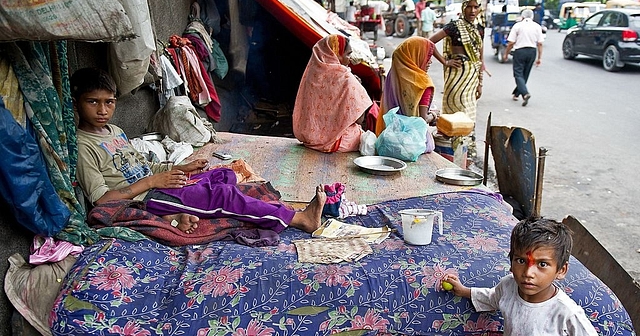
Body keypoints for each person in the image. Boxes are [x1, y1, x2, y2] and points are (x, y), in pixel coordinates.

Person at [72, 67, 326, 235]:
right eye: (93, 102)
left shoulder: (115, 132)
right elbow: (102, 201)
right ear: (76, 103)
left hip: (156, 183)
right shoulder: (83, 146)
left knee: (223, 175)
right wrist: (154, 181)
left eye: (109, 102)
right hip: (147, 198)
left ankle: (236, 205)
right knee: (223, 196)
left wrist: (178, 169)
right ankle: (299, 219)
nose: (103, 110)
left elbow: (144, 167)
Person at [442, 217, 598, 335]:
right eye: (521, 261)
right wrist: (464, 291)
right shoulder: (508, 286)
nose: (528, 273)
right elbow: (493, 297)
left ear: (561, 270)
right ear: (511, 262)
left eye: (542, 264)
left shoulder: (566, 313)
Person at [293, 34, 372, 152]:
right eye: (348, 54)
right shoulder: (346, 78)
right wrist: (357, 85)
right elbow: (359, 119)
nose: (350, 58)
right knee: (361, 134)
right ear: (336, 54)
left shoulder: (311, 73)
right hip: (337, 143)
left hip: (310, 139)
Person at [429, 0, 485, 158]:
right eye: (469, 6)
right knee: (456, 113)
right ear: (463, 7)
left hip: (472, 77)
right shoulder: (454, 26)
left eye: (476, 7)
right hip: (457, 78)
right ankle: (451, 154)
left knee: (469, 114)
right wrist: (445, 62)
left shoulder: (479, 29)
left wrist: (480, 83)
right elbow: (429, 42)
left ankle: (464, 153)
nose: (472, 10)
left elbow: (480, 58)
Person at [375, 36, 453, 136]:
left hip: (388, 137)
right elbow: (422, 120)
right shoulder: (422, 83)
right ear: (415, 57)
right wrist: (434, 115)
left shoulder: (393, 76)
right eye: (426, 56)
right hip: (412, 142)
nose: (430, 61)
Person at [503, 8, 544, 107]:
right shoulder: (537, 26)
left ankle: (525, 93)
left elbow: (511, 42)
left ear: (522, 16)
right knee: (525, 74)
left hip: (520, 51)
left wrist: (506, 53)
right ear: (532, 17)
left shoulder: (518, 26)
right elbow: (540, 43)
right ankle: (516, 94)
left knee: (518, 74)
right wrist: (539, 58)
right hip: (532, 51)